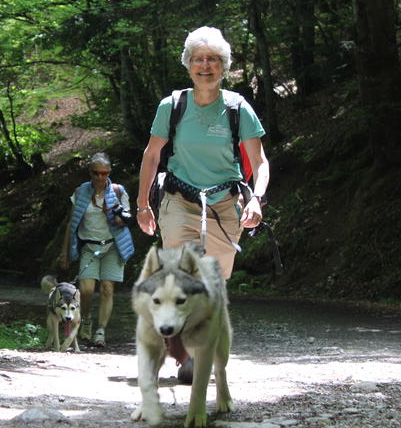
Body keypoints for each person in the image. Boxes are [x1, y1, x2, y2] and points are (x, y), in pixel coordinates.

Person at [136, 26, 270, 380]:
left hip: (225, 205)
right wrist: (142, 204)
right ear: (188, 64)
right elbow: (152, 156)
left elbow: (260, 163)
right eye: (198, 59)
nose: (205, 65)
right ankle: (187, 357)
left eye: (212, 59)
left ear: (223, 65)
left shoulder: (238, 108)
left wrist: (256, 199)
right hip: (179, 200)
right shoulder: (172, 106)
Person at [59, 152, 134, 347]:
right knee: (86, 289)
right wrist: (64, 252)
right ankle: (86, 321)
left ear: (109, 172)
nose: (100, 177)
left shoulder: (118, 191)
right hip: (89, 246)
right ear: (90, 172)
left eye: (104, 173)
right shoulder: (80, 192)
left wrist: (118, 217)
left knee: (107, 289)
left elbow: (126, 220)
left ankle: (101, 331)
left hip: (112, 246)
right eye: (96, 173)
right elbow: (71, 223)